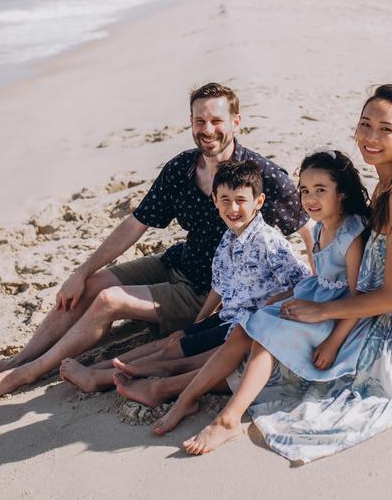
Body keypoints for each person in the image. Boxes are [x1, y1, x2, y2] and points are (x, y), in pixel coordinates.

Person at [0, 82, 312, 399]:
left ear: (236, 122)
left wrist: (322, 299)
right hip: (177, 261)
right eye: (199, 121)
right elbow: (136, 224)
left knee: (107, 299)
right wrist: (81, 271)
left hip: (204, 292)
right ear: (191, 122)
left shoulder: (262, 176)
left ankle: (28, 373)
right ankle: (17, 358)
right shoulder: (182, 168)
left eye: (217, 121)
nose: (208, 130)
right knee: (88, 286)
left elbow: (307, 231)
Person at [178, 84, 392, 460]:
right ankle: (178, 387)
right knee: (266, 332)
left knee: (279, 352)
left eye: (386, 129)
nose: (370, 137)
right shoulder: (386, 186)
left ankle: (204, 405)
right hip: (372, 308)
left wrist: (322, 311)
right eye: (365, 125)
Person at [136, 149, 371, 440]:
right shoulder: (322, 226)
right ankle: (186, 399)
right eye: (305, 190)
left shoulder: (351, 234)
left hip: (336, 313)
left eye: (320, 190)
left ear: (342, 193)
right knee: (243, 330)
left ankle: (229, 418)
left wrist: (334, 342)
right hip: (315, 296)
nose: (310, 199)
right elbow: (313, 277)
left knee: (262, 336)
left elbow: (358, 295)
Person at [60, 160, 311, 393]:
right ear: (214, 200)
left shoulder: (268, 241)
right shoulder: (228, 239)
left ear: (258, 201)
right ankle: (99, 369)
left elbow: (303, 280)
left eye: (240, 200)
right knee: (172, 340)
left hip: (245, 325)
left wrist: (276, 301)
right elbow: (220, 285)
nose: (232, 208)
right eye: (225, 200)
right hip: (228, 316)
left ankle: (99, 379)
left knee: (171, 354)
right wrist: (197, 323)